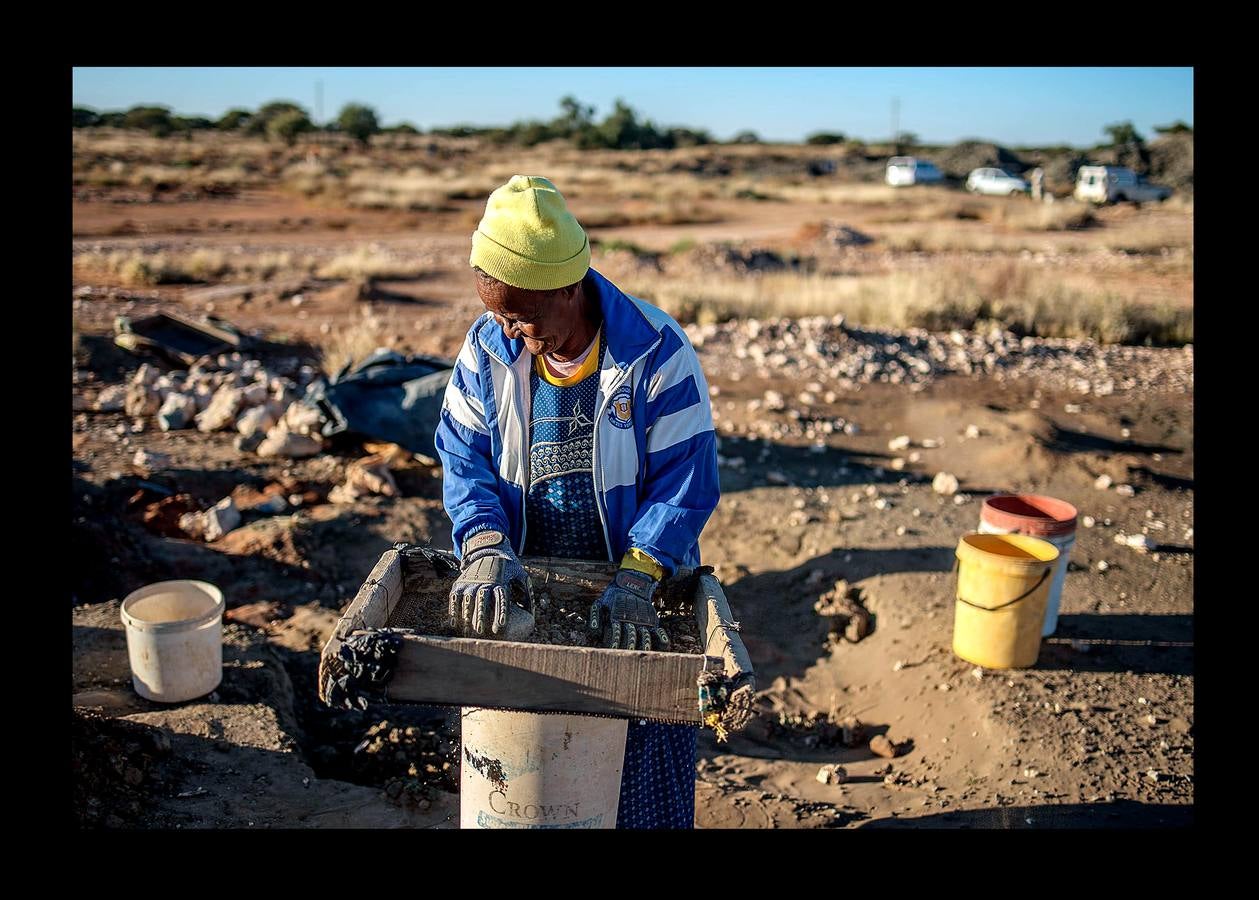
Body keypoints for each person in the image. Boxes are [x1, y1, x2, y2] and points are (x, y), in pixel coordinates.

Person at [434, 175, 721, 829]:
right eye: (497, 312)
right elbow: (462, 458)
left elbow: (684, 483)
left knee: (635, 756)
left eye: (520, 314)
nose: (507, 328)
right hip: (528, 578)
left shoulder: (655, 352)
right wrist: (482, 547)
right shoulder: (486, 350)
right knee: (527, 773)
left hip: (634, 584)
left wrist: (635, 581)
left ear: (569, 288)